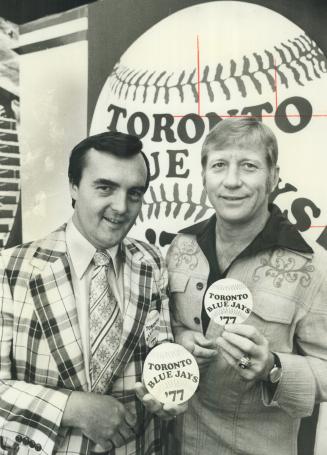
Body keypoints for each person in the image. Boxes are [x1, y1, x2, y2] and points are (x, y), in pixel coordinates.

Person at [0, 131, 185, 455]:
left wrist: (169, 393)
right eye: (105, 187)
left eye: (134, 193)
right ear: (74, 186)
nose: (121, 206)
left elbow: (162, 352)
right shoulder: (11, 268)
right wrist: (71, 407)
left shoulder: (152, 262)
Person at [166, 118, 327, 455]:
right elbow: (168, 326)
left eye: (249, 166)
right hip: (175, 444)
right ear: (204, 176)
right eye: (219, 165)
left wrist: (272, 367)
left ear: (273, 177)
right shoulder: (180, 247)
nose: (232, 181)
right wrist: (181, 338)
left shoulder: (315, 265)